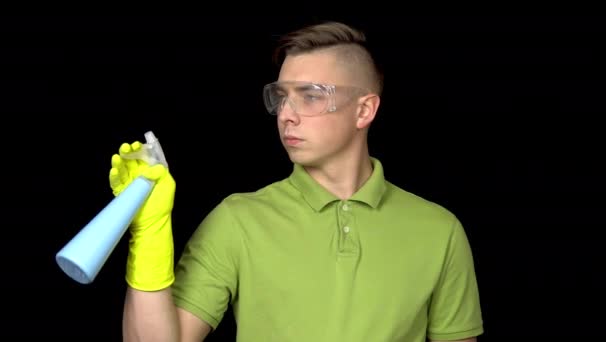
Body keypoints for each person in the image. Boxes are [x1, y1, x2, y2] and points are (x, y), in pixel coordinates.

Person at [111, 20, 484, 342]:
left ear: (365, 109)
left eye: (309, 97)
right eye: (281, 97)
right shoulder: (238, 220)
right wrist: (150, 233)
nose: (286, 115)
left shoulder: (439, 231)